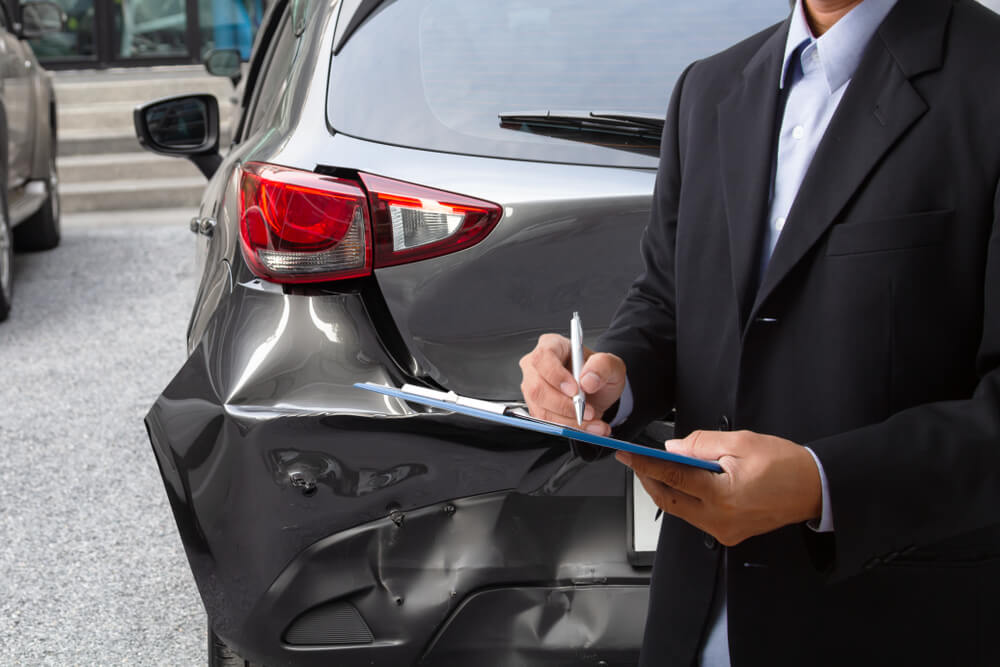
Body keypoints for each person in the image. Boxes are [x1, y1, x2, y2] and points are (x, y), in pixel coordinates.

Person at [518, 0, 1000, 664]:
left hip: (899, 622)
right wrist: (605, 382)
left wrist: (821, 483)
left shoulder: (987, 79)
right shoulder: (710, 87)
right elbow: (666, 301)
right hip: (696, 623)